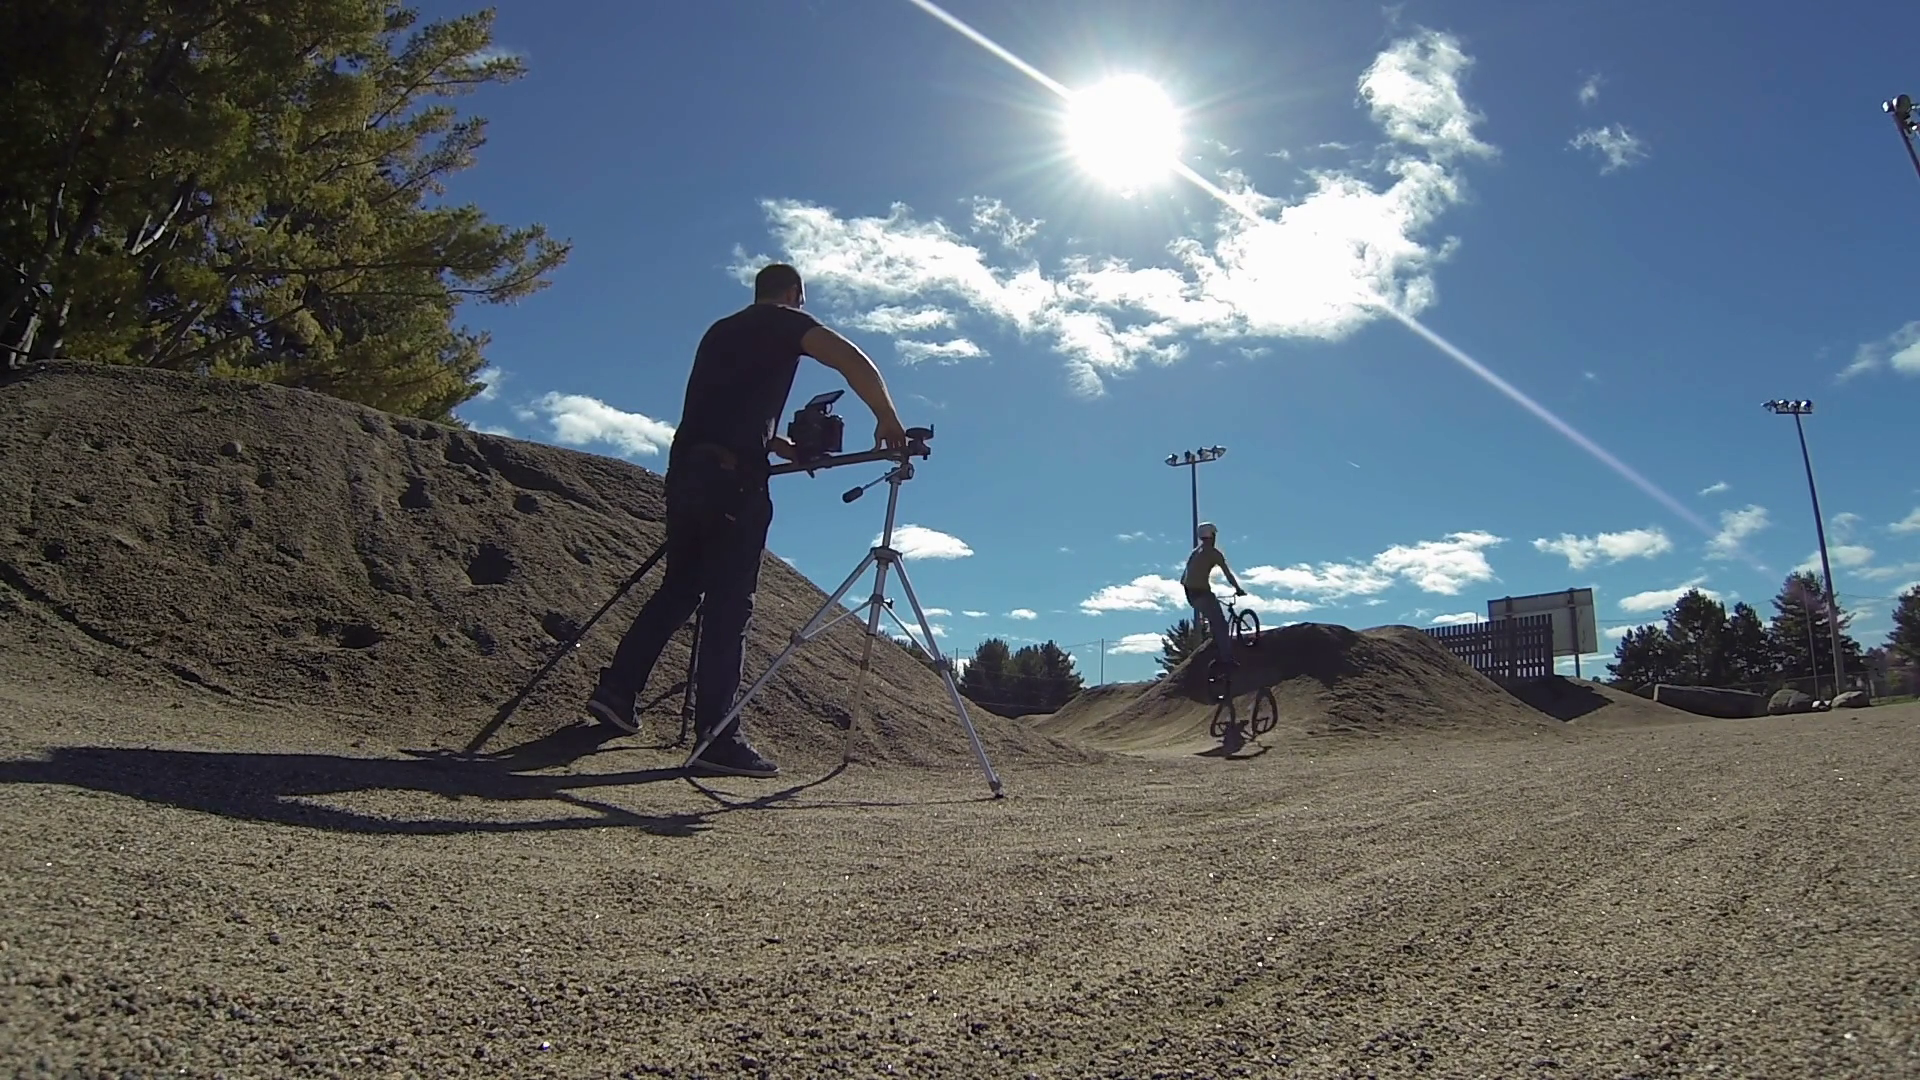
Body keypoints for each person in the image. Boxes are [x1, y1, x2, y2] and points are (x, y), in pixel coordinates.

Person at [586, 263, 907, 778]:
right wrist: (887, 417)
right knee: (730, 606)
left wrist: (775, 444)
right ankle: (718, 737)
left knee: (679, 589)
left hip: (688, 472)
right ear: (794, 294)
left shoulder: (720, 331)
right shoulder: (784, 321)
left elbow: (723, 405)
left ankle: (617, 691)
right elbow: (850, 358)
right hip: (733, 482)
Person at [1182, 522, 1245, 664]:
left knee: (1213, 620)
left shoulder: (1195, 552)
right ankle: (1227, 660)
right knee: (1222, 625)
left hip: (1190, 594)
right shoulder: (1214, 553)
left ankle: (1215, 649)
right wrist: (1238, 589)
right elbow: (1228, 574)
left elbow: (1186, 575)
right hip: (1201, 592)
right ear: (1212, 536)